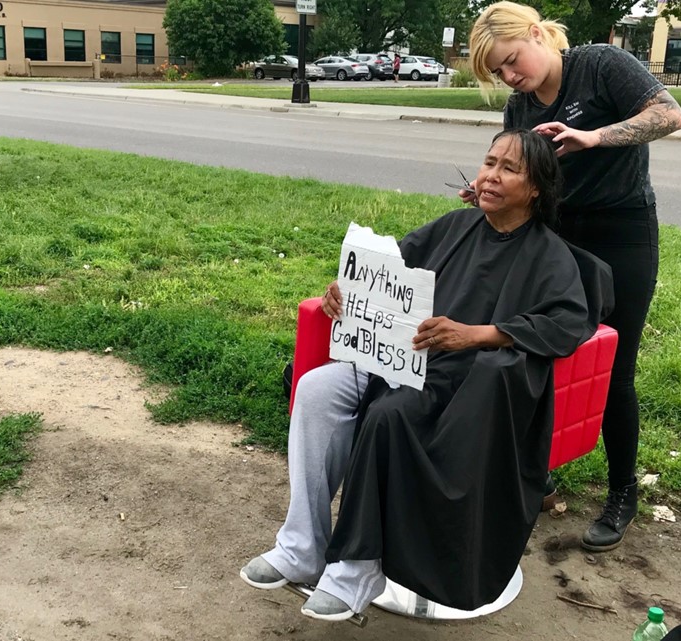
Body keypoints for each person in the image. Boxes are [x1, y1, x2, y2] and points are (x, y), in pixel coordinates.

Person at [240, 129, 613, 621]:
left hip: (461, 385)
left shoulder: (548, 255)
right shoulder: (454, 228)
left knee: (387, 415)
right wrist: (343, 292)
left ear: (537, 187)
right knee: (315, 389)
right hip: (399, 360)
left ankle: (356, 569)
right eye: (489, 162)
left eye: (509, 169)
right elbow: (386, 272)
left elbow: (565, 322)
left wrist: (477, 334)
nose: (491, 176)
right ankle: (302, 546)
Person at [467, 1, 681, 552]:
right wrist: (492, 188)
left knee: (613, 367)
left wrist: (595, 136)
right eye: (500, 72)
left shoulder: (600, 64)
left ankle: (622, 493)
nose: (511, 77)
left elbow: (669, 115)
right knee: (539, 352)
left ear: (538, 34)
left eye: (513, 61)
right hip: (554, 237)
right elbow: (523, 169)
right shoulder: (519, 108)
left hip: (621, 231)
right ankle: (539, 472)